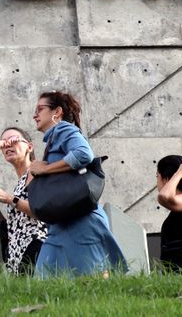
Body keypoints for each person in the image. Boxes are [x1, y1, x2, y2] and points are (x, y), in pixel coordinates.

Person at [28, 91, 126, 277]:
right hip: (62, 225)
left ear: (57, 112)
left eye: (40, 109)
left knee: (92, 283)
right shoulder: (53, 138)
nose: (35, 115)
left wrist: (45, 169)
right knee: (43, 283)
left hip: (82, 223)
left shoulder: (64, 129)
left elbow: (83, 154)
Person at [0, 127, 48, 275]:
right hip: (18, 258)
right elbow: (13, 231)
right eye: (2, 143)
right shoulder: (20, 183)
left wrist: (10, 199)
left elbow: (43, 211)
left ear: (29, 147)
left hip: (36, 250)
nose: (7, 145)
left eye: (13, 140)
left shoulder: (36, 169)